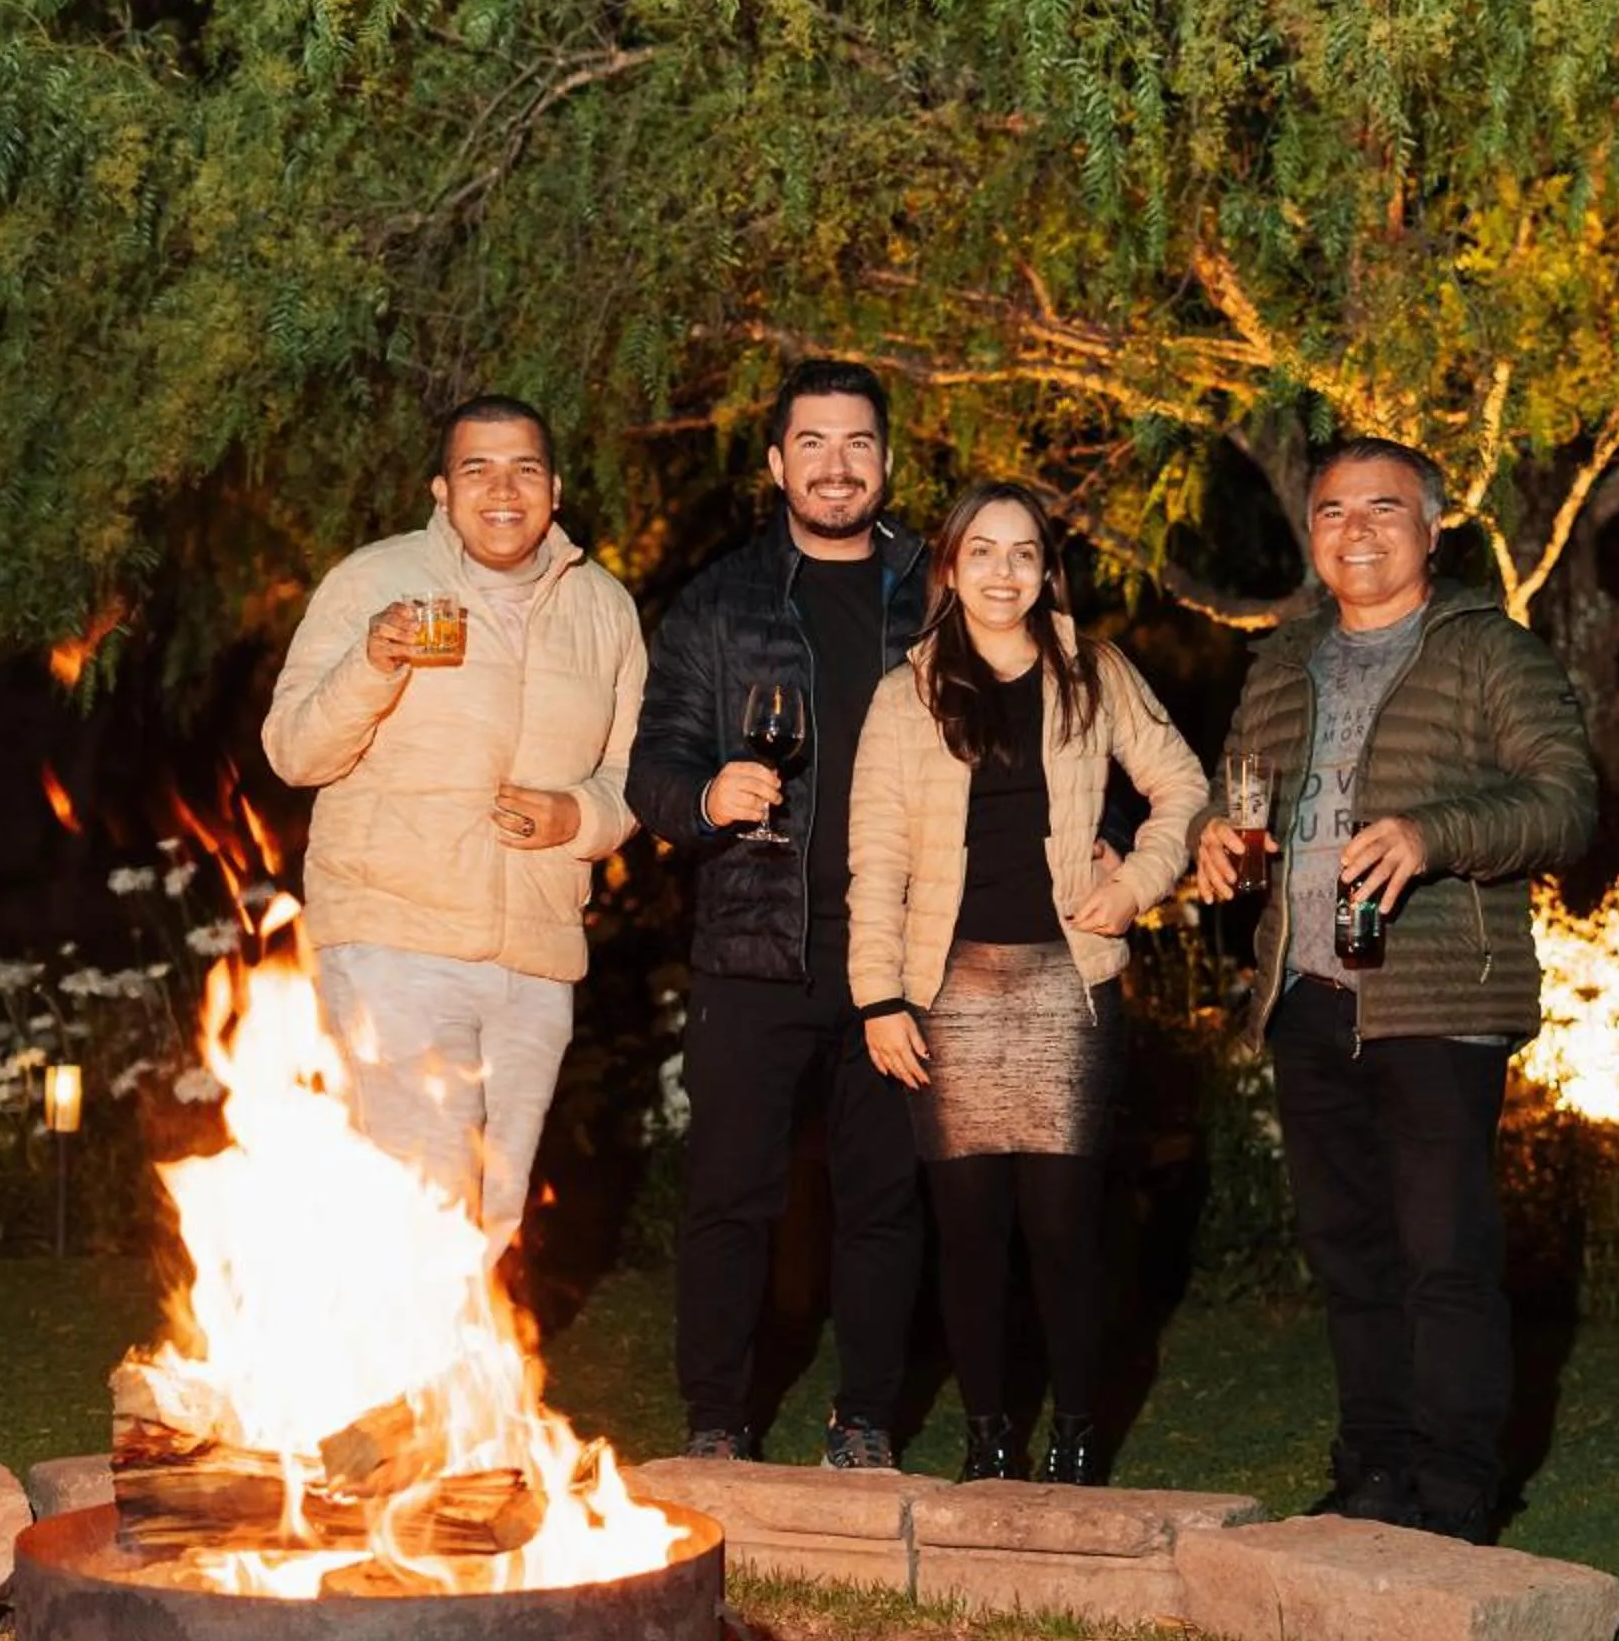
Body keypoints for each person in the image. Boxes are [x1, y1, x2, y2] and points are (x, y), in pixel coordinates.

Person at [1192, 437, 1595, 1543]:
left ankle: (1458, 1494)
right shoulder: (1284, 663)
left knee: (1444, 1256)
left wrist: (1433, 833)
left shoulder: (1488, 655)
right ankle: (1371, 1474)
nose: (1354, 530)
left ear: (1430, 528)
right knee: (1349, 1253)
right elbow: (1235, 793)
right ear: (1311, 531)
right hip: (1311, 990)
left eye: (1382, 509)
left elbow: (1565, 804)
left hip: (1435, 997)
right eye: (1332, 511)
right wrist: (1214, 843)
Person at [849, 482, 1207, 1485]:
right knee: (968, 1234)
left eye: (1025, 553)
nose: (1004, 571)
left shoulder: (1094, 674)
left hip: (1066, 984)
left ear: (1048, 569)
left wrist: (1136, 881)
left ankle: (1081, 1433)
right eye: (983, 551)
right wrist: (879, 997)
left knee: (1062, 1226)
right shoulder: (905, 692)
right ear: (950, 569)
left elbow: (1181, 785)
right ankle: (991, 1434)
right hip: (947, 990)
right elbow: (874, 856)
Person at [625, 360, 932, 1468]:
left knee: (885, 1204)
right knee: (731, 1199)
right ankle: (717, 1419)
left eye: (857, 444)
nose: (836, 465)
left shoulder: (941, 592)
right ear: (776, 463)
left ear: (886, 461)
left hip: (899, 955)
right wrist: (703, 797)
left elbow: (1038, 720)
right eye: (812, 443)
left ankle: (866, 1421)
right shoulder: (718, 602)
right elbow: (651, 764)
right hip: (755, 948)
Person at [261, 394, 647, 1266]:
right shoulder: (373, 583)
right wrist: (374, 661)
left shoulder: (605, 609)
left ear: (554, 486)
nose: (502, 489)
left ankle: (448, 1399)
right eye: (477, 468)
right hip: (395, 936)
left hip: (535, 953)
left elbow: (636, 777)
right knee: (422, 1194)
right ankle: (396, 1399)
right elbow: (293, 752)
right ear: (441, 488)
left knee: (493, 1213)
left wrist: (577, 815)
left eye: (525, 468)